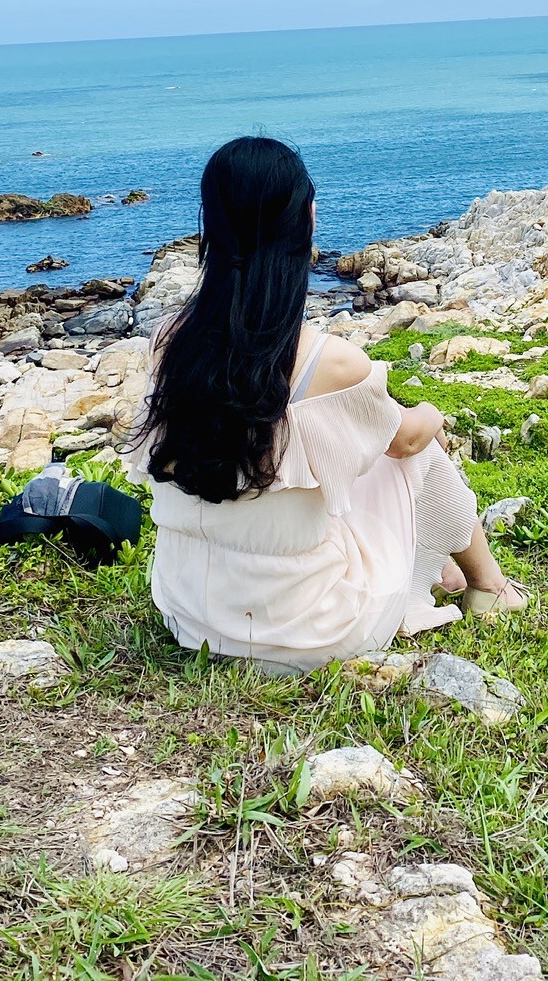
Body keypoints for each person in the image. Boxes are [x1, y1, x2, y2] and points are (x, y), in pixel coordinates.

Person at [126, 136, 526, 673]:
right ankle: (488, 586)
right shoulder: (329, 361)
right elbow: (406, 440)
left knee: (343, 458)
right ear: (305, 220)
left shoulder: (171, 342)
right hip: (305, 633)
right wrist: (433, 413)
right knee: (416, 449)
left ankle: (443, 572)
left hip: (189, 618)